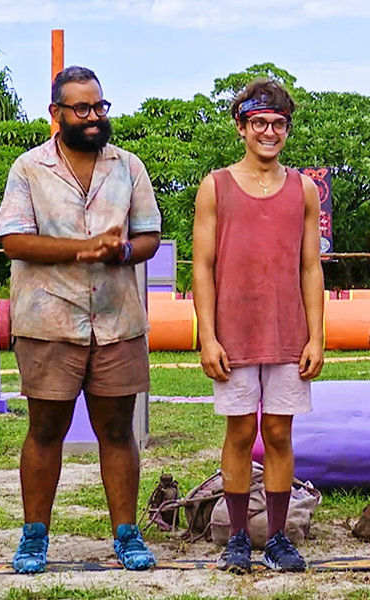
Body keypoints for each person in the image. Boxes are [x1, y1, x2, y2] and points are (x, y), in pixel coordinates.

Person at [0, 65, 161, 573]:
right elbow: (14, 240)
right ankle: (34, 537)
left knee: (118, 431)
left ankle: (127, 535)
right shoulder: (29, 168)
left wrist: (122, 251)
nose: (93, 117)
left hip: (117, 321)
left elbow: (149, 236)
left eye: (99, 106)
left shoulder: (128, 166)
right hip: (49, 321)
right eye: (81, 108)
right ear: (56, 113)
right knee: (45, 430)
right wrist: (83, 248)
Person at [192, 79, 324, 573]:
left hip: (288, 333)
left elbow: (310, 267)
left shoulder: (303, 189)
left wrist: (316, 336)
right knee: (241, 430)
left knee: (279, 432)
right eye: (259, 123)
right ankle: (237, 539)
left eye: (278, 124)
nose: (269, 132)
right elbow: (202, 266)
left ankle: (278, 537)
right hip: (234, 334)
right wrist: (207, 336)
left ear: (287, 128)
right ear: (241, 127)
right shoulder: (216, 187)